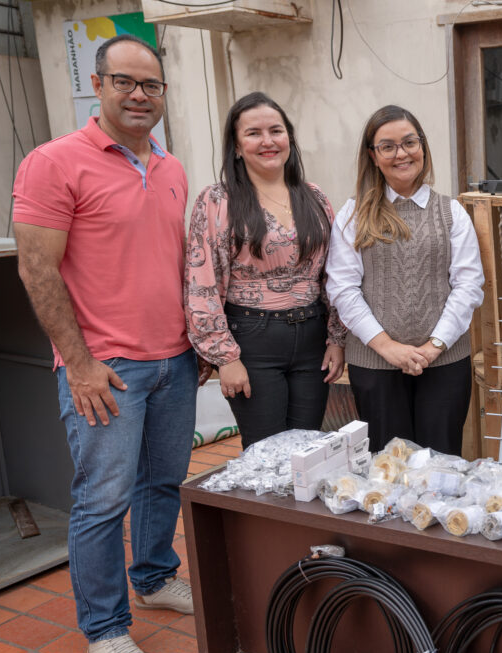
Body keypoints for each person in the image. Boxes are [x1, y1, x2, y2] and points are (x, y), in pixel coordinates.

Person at [13, 34, 201, 653]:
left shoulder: (173, 168)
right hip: (107, 369)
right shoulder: (54, 162)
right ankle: (105, 628)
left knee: (161, 484)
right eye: (125, 81)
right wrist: (81, 363)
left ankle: (152, 578)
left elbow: (172, 267)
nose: (139, 94)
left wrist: (195, 344)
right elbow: (36, 267)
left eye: (151, 85)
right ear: (98, 85)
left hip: (174, 362)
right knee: (102, 499)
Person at [185, 92, 345, 449]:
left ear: (289, 138)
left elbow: (334, 274)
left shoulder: (314, 197)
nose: (268, 141)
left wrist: (336, 338)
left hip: (312, 338)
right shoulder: (218, 201)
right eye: (254, 133)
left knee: (308, 450)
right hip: (252, 340)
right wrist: (225, 358)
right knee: (264, 453)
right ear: (237, 147)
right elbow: (202, 283)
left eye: (276, 130)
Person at [326, 105, 484, 454]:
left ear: (423, 147)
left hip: (444, 363)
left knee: (440, 466)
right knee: (388, 469)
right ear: (373, 155)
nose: (401, 153)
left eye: (409, 142)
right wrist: (389, 348)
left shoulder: (452, 211)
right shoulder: (353, 214)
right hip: (376, 366)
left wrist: (433, 346)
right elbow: (343, 289)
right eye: (388, 146)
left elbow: (469, 285)